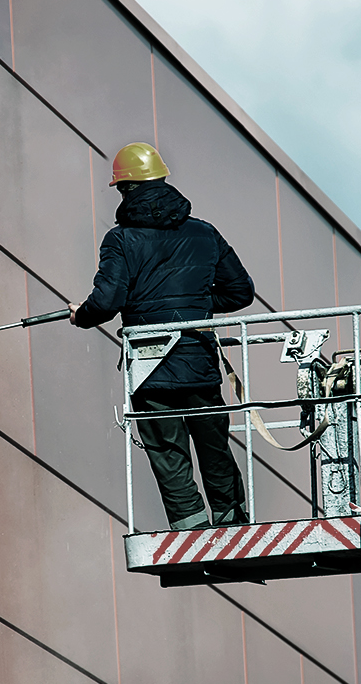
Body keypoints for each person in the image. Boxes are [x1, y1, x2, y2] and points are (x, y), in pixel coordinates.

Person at [70, 143, 255, 531]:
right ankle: (232, 520)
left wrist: (80, 316)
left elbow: (106, 302)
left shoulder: (120, 240)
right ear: (163, 179)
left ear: (124, 190)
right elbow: (240, 292)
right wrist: (195, 309)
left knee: (167, 450)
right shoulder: (205, 233)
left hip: (150, 366)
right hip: (199, 359)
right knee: (213, 444)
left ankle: (190, 525)